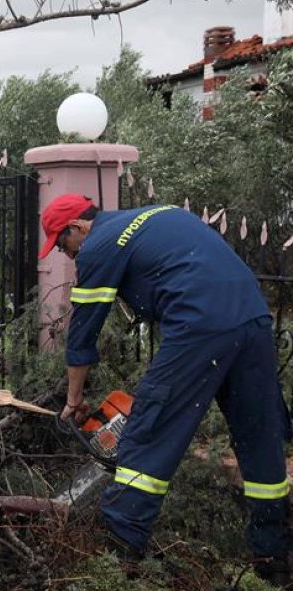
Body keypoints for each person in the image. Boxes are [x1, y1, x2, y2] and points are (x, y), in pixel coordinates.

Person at [41, 193, 291, 582]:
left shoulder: (99, 244)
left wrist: (73, 400)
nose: (65, 254)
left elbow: (83, 334)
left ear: (78, 228)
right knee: (260, 435)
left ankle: (118, 551)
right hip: (254, 317)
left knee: (151, 426)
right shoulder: (158, 215)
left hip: (199, 322)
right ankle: (273, 557)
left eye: (62, 244)